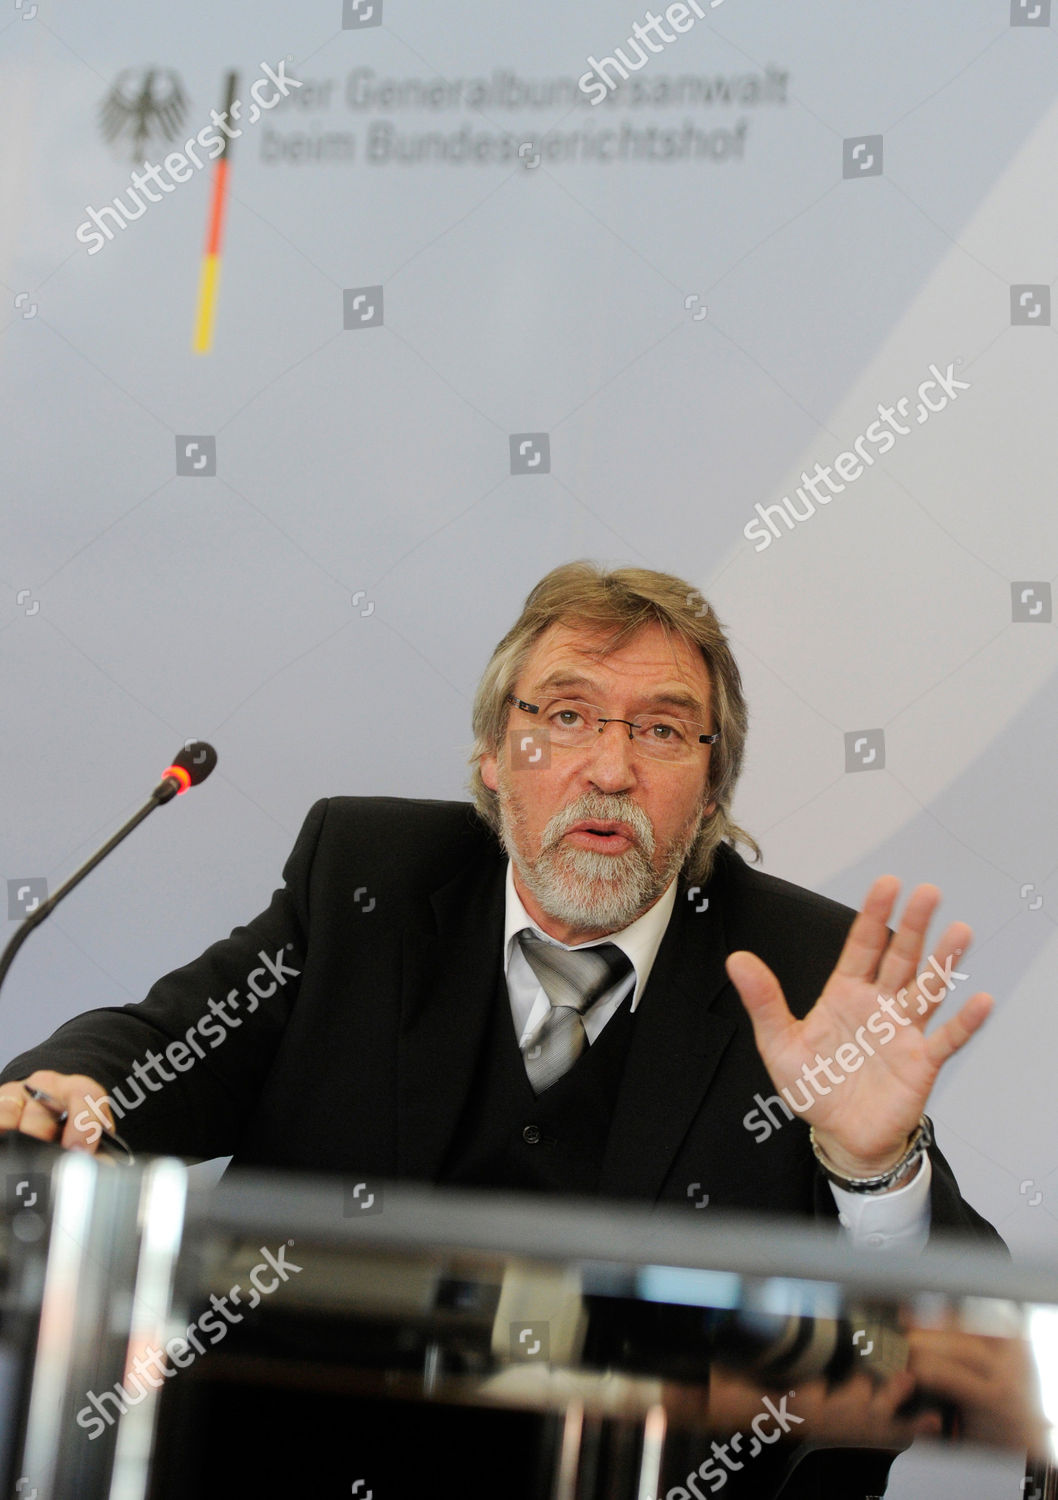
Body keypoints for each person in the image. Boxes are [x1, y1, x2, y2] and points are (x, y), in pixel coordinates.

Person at [0, 561, 999, 1250]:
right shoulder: (372, 883)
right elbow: (162, 1043)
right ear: (491, 754)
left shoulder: (799, 973)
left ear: (710, 787)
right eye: (564, 717)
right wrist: (68, 1093)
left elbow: (958, 1343)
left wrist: (870, 1170)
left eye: (660, 730)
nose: (607, 766)